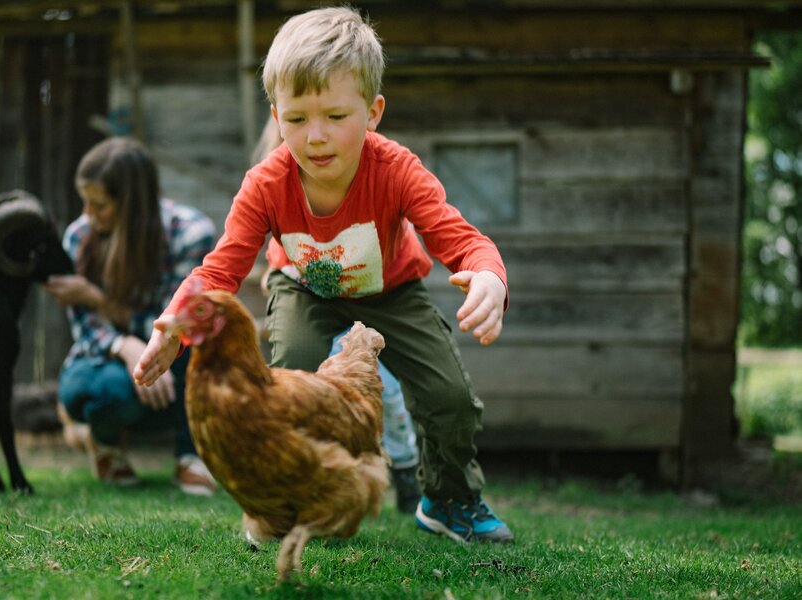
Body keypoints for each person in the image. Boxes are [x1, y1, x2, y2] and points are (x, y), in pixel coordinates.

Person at [135, 6, 513, 542]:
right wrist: (172, 324)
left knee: (449, 397)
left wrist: (488, 276)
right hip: (304, 289)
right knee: (288, 378)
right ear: (276, 116)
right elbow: (221, 266)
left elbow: (461, 239)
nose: (315, 136)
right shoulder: (266, 183)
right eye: (295, 120)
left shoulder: (397, 171)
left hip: (392, 292)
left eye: (336, 117)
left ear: (373, 111)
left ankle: (449, 499)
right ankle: (288, 503)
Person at [255, 114, 421, 515]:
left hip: (369, 299)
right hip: (315, 310)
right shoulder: (275, 187)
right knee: (316, 398)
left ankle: (405, 468)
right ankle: (317, 483)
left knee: (388, 395)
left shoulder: (374, 178)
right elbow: (277, 256)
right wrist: (277, 280)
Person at [44, 136, 218, 496]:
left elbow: (180, 319)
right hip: (102, 361)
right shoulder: (78, 237)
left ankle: (190, 456)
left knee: (205, 346)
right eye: (85, 202)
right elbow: (85, 328)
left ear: (133, 205)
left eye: (100, 205)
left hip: (175, 361)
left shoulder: (190, 234)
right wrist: (124, 345)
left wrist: (101, 301)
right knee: (102, 392)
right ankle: (104, 444)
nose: (88, 215)